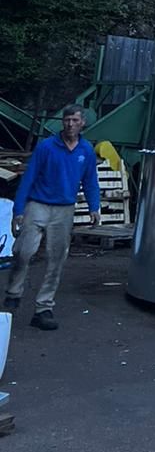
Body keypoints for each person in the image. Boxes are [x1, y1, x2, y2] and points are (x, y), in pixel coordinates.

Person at [4, 106, 100, 331]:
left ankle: (43, 308)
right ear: (62, 122)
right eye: (66, 120)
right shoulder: (47, 147)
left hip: (64, 209)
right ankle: (14, 292)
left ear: (82, 123)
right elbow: (29, 177)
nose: (70, 124)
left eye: (75, 120)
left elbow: (90, 180)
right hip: (38, 203)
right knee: (23, 251)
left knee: (56, 259)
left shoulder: (85, 150)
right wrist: (19, 209)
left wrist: (94, 207)